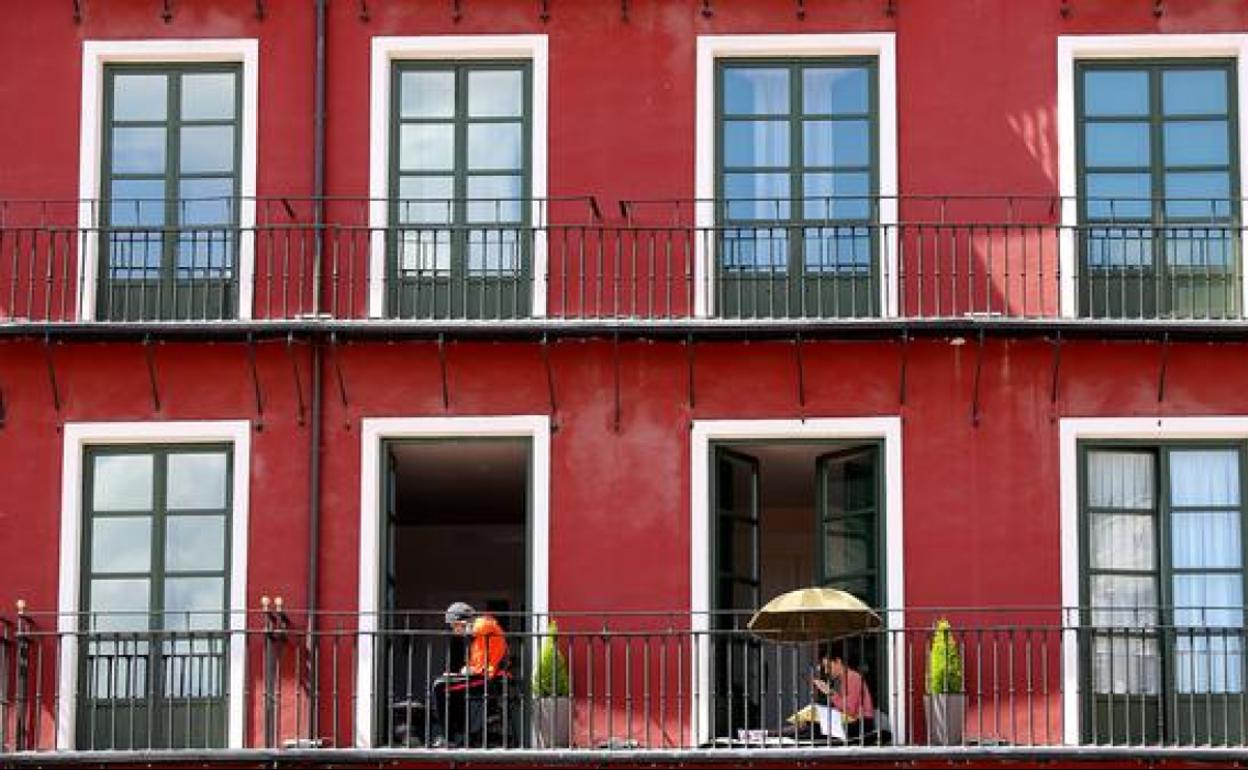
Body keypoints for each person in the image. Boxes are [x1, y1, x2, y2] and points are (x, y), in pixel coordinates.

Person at [429, 602, 510, 747]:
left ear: (462, 621)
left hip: (489, 677)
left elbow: (483, 625)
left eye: (454, 626)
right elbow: (477, 663)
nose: (454, 630)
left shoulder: (484, 624)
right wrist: (464, 670)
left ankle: (449, 737)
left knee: (440, 687)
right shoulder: (477, 639)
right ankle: (458, 733)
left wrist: (467, 625)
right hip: (481, 674)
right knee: (446, 685)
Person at [810, 643, 875, 741]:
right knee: (813, 722)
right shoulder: (840, 680)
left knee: (816, 728)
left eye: (828, 666)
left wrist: (830, 693)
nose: (827, 671)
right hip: (850, 721)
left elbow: (849, 710)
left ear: (838, 661)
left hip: (861, 724)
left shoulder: (853, 677)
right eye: (825, 668)